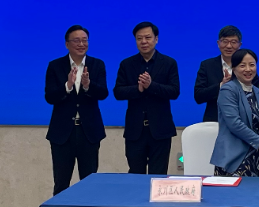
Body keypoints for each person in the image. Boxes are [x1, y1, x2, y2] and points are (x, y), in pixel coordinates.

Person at [44, 25, 108, 195]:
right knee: (61, 182)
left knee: (89, 182)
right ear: (67, 44)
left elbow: (103, 93)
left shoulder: (97, 64)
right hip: (62, 133)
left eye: (84, 40)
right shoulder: (55, 66)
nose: (81, 44)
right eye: (76, 40)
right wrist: (68, 85)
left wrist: (88, 85)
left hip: (89, 132)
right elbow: (49, 97)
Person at [114, 21, 180, 175]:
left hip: (160, 130)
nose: (143, 41)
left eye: (148, 37)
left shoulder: (169, 63)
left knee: (158, 175)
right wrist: (138, 89)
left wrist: (151, 86)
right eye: (139, 38)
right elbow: (118, 92)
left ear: (156, 39)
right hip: (135, 130)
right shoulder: (126, 64)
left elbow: (174, 91)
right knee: (135, 175)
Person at [210, 49, 259, 177]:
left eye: (252, 65)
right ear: (234, 68)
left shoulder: (257, 92)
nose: (248, 69)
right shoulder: (228, 89)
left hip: (256, 157)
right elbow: (234, 124)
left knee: (257, 190)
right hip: (234, 158)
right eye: (242, 65)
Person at [194, 25, 259, 122]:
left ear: (240, 45)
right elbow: (198, 96)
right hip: (214, 122)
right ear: (218, 43)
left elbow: (256, 97)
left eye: (233, 42)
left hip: (243, 122)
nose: (229, 46)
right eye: (225, 41)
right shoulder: (207, 65)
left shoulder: (248, 68)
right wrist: (221, 85)